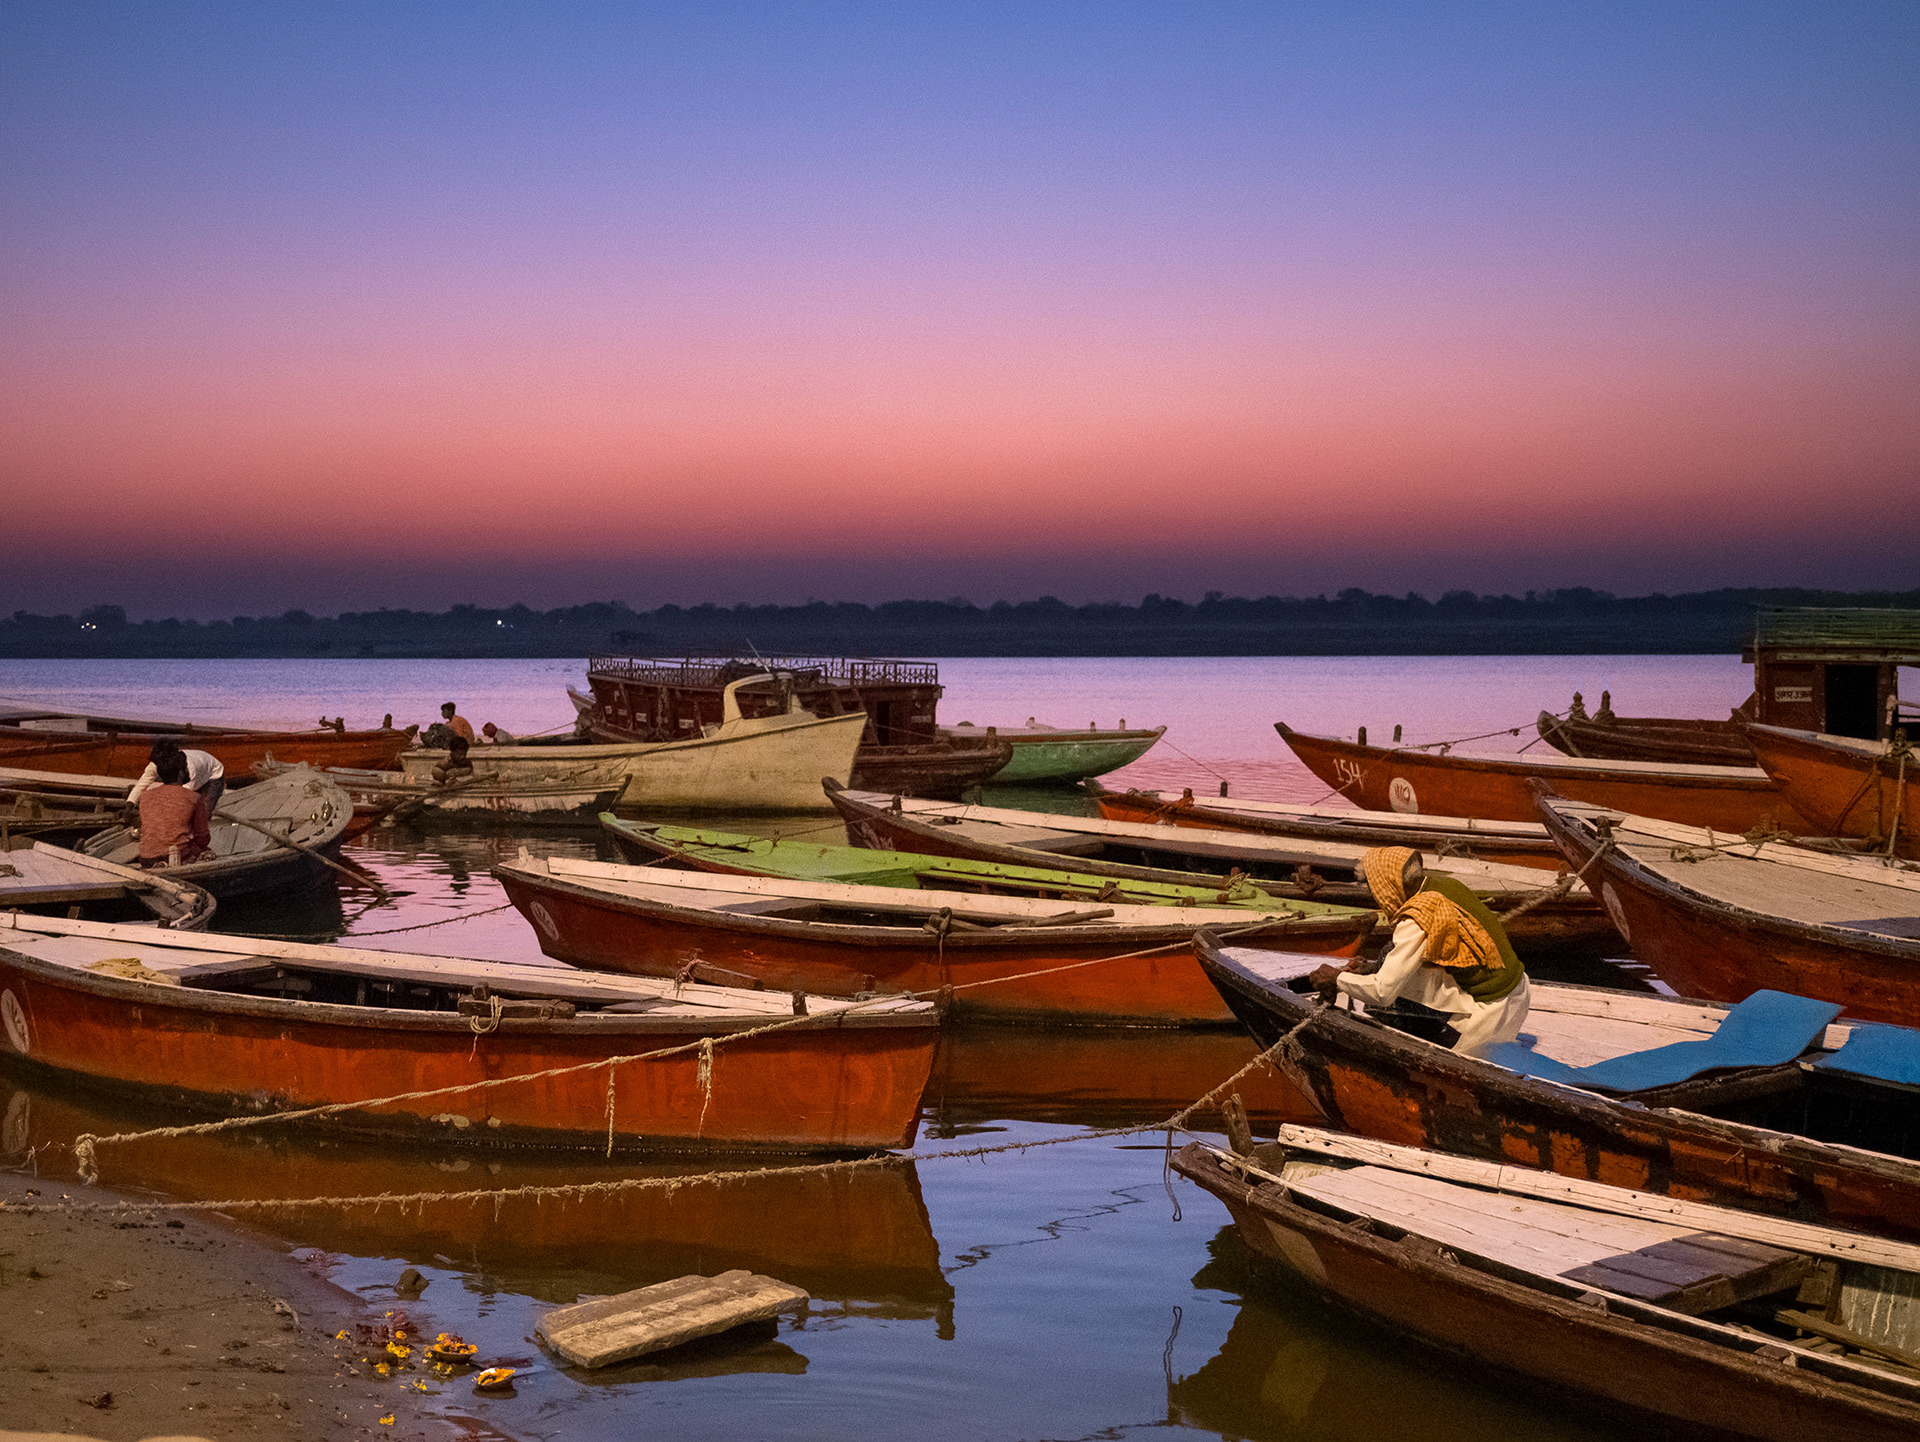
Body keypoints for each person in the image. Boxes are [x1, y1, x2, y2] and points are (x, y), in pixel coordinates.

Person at [1306, 846, 1529, 1057]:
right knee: (1387, 959)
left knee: (1386, 990)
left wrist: (1337, 978)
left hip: (1489, 1015)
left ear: (1387, 887)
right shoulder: (1445, 885)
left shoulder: (1417, 917)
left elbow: (1382, 992)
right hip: (1519, 992)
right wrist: (1372, 969)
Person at [136, 750, 212, 867]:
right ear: (181, 773)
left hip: (146, 858)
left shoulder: (145, 796)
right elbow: (202, 837)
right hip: (178, 855)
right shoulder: (194, 797)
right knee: (206, 852)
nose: (188, 771)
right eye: (186, 768)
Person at [127, 738, 225, 815]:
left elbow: (184, 795)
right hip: (192, 775)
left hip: (213, 775)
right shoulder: (158, 762)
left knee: (204, 812)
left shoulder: (192, 768)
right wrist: (130, 802)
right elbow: (143, 782)